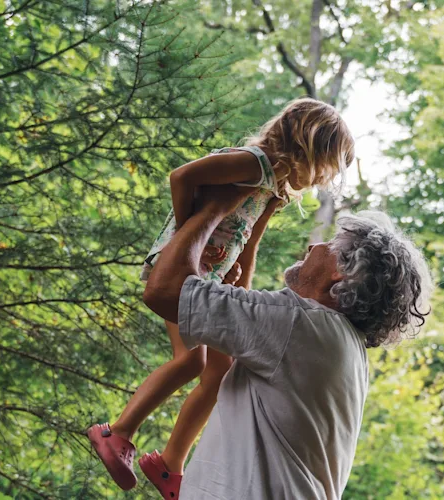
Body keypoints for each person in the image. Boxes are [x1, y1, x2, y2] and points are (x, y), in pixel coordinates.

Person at [89, 98, 355, 498]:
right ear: (307, 145)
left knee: (221, 370)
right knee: (191, 361)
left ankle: (170, 465)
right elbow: (182, 178)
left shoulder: (273, 189)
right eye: (324, 168)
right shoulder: (252, 163)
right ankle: (117, 433)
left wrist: (239, 293)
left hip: (210, 278)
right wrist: (185, 239)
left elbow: (248, 246)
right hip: (179, 268)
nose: (321, 180)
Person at [135, 202, 431, 499]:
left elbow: (164, 291)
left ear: (343, 272)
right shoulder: (338, 343)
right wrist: (254, 227)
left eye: (329, 244)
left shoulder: (300, 323)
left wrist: (215, 205)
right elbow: (236, 340)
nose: (315, 245)